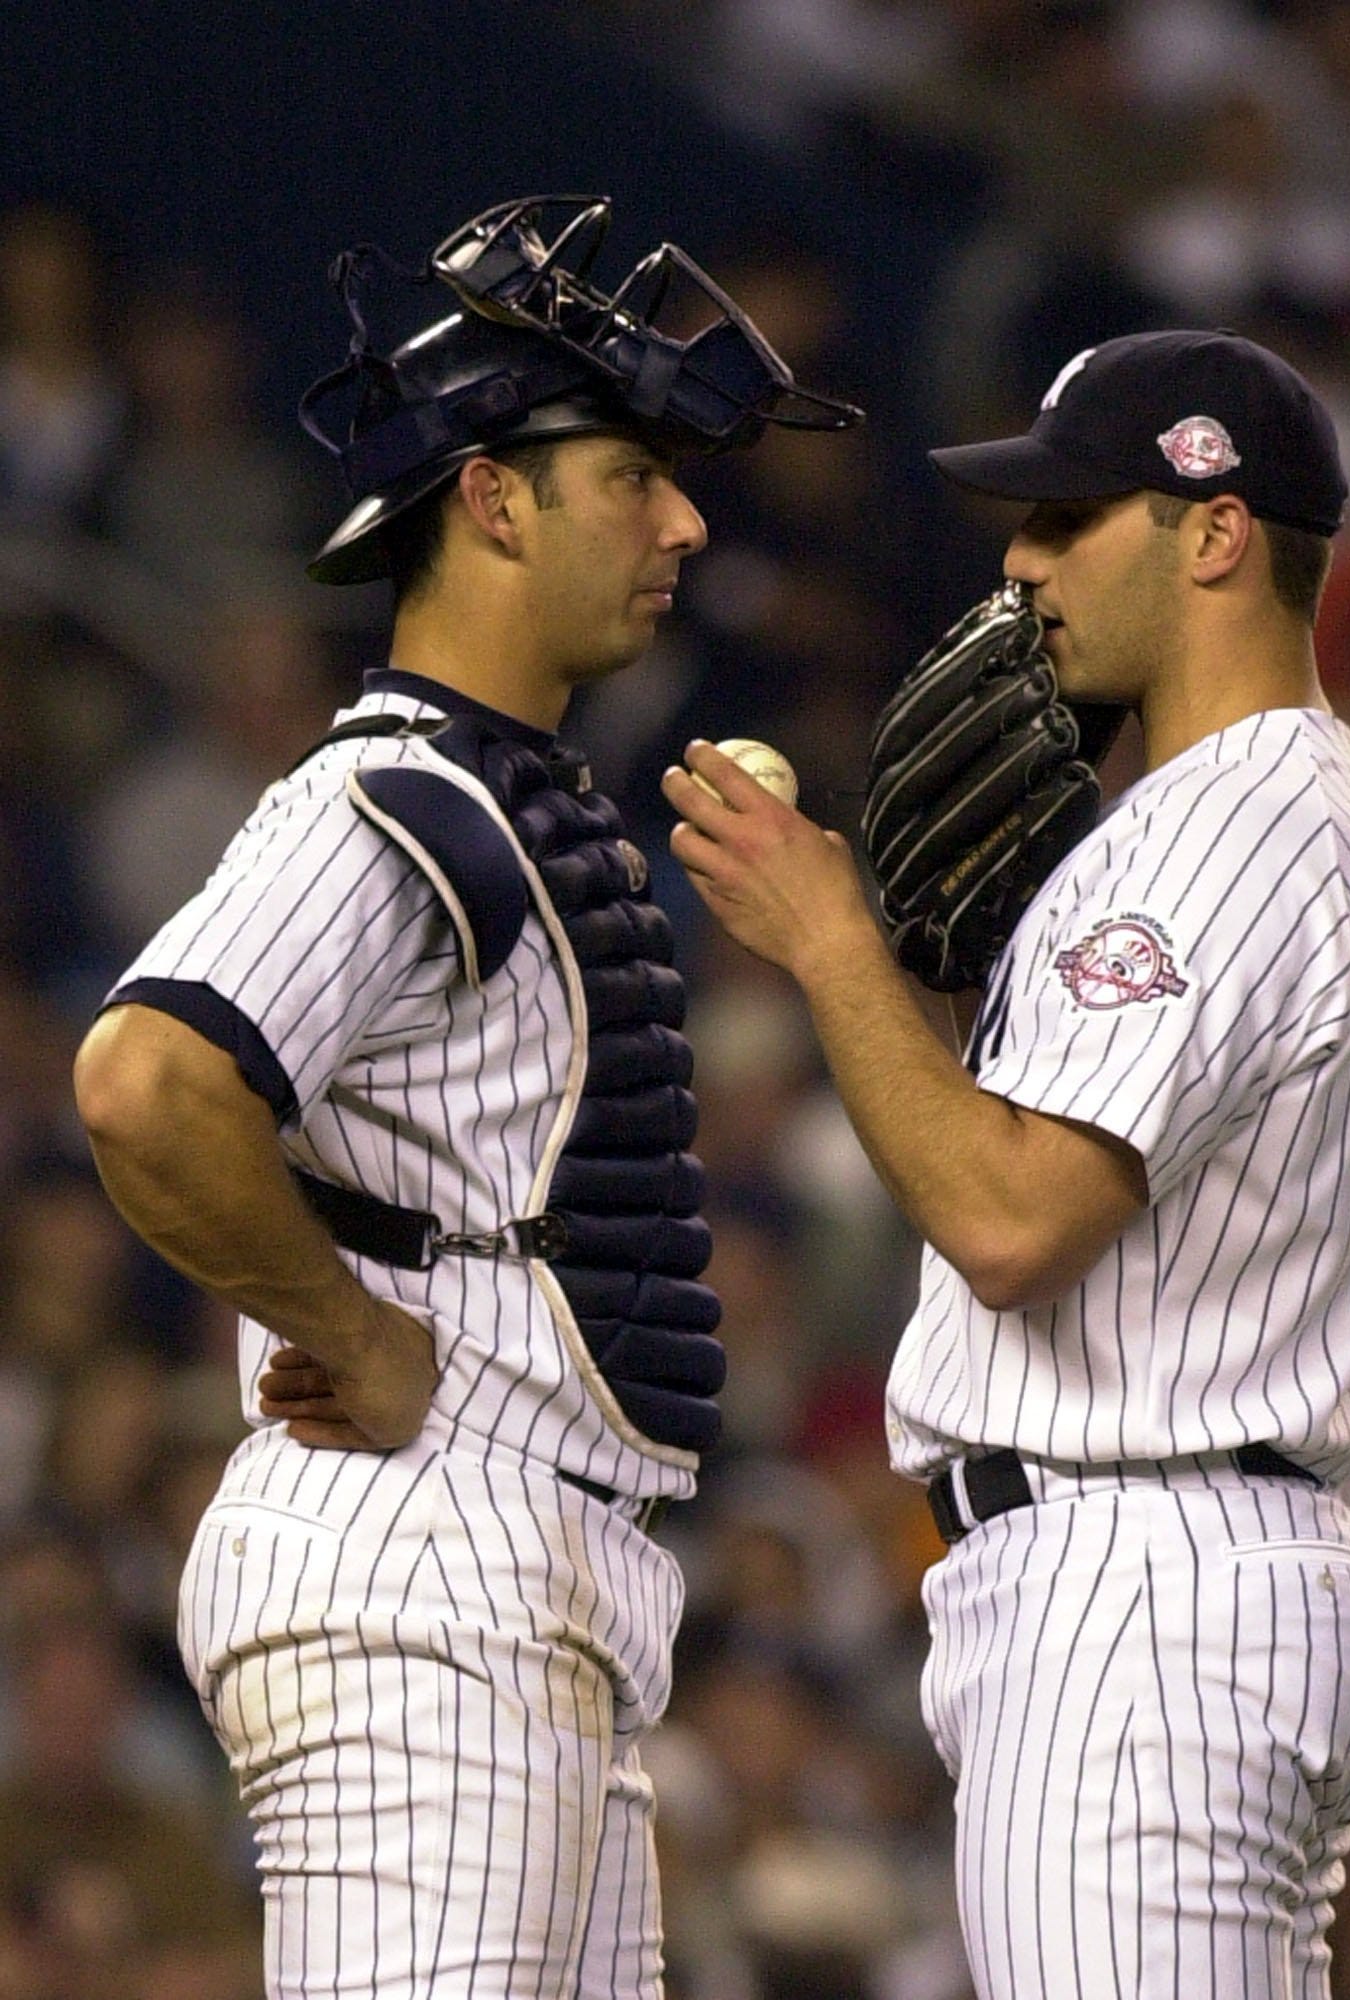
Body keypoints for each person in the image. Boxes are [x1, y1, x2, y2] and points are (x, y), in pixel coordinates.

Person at [72, 195, 859, 2000]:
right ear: (493, 495)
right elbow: (143, 1079)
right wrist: (341, 1316)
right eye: (630, 477)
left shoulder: (506, 799)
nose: (683, 518)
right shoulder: (392, 799)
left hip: (525, 1572)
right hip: (422, 1565)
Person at [664, 328, 1350, 1998]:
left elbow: (1011, 1223)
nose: (1018, 561)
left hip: (1144, 1596)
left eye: (1067, 519)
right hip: (1193, 1579)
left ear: (1212, 532)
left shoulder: (1217, 835)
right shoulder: (1243, 816)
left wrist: (828, 941)